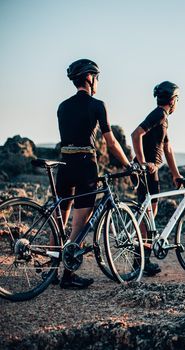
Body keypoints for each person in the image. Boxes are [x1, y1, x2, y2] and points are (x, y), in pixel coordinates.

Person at [56, 59, 131, 289]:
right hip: (85, 165)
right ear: (90, 77)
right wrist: (128, 165)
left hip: (64, 164)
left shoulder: (62, 106)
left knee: (60, 219)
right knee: (79, 225)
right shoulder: (97, 104)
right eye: (97, 77)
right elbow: (111, 143)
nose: (98, 82)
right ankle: (68, 276)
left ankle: (48, 272)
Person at [131, 81, 183, 276]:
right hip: (147, 171)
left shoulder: (163, 118)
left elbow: (167, 147)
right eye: (178, 99)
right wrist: (144, 163)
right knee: (147, 217)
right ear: (173, 100)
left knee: (149, 214)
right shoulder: (159, 114)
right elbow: (136, 134)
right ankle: (140, 262)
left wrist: (175, 174)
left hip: (151, 171)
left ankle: (143, 260)